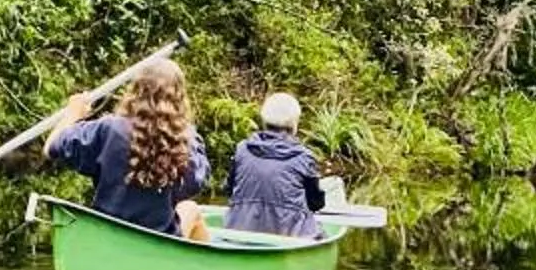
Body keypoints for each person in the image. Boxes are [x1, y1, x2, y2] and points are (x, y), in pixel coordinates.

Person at [45, 52, 210, 236]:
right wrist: (188, 134)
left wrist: (72, 113)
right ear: (179, 99)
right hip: (160, 240)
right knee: (191, 209)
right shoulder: (183, 141)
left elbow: (51, 147)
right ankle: (206, 264)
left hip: (107, 234)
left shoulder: (107, 129)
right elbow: (196, 183)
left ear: (135, 91)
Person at [226, 91, 327, 239]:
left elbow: (229, 190)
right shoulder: (304, 158)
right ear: (294, 124)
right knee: (319, 231)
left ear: (264, 120)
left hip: (239, 233)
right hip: (288, 237)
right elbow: (316, 204)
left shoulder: (242, 150)